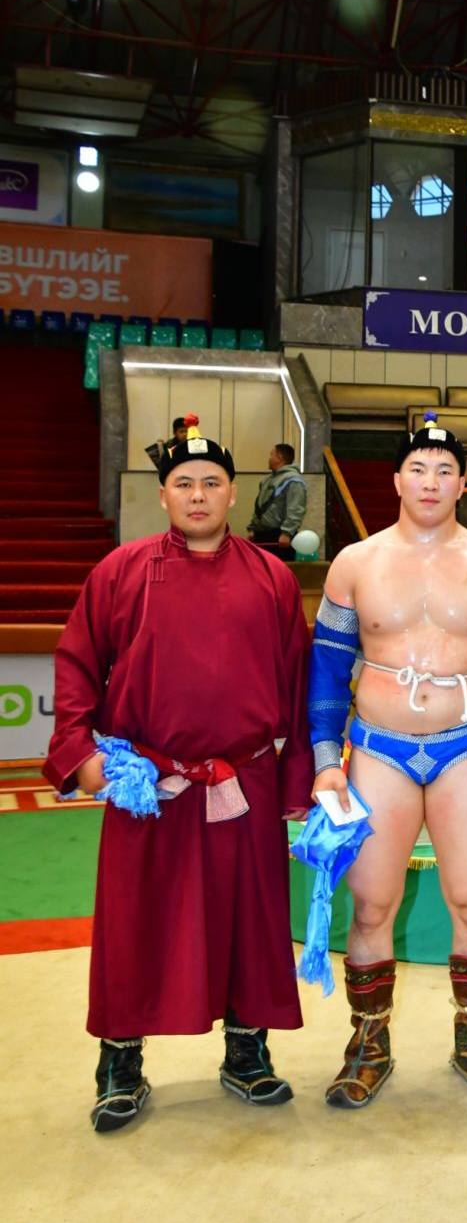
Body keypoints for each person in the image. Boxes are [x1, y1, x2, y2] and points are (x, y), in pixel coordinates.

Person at [44, 413, 313, 1133]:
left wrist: (297, 781)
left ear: (234, 493)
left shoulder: (272, 578)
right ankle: (120, 1062)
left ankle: (247, 1050)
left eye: (212, 483)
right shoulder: (120, 571)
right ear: (163, 494)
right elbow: (76, 664)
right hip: (148, 785)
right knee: (135, 921)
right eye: (184, 483)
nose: (198, 495)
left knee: (250, 920)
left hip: (244, 782)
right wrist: (78, 752)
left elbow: (297, 687)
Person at [308, 421, 467, 1107]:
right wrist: (326, 760)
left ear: (463, 484)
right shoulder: (355, 564)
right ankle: (368, 1044)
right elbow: (327, 672)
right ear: (396, 480)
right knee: (372, 904)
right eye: (418, 468)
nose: (431, 482)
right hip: (378, 748)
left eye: (444, 470)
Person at [247, 443, 308, 561]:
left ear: (280, 457)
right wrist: (253, 528)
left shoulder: (294, 481)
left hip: (279, 537)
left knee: (279, 570)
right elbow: (259, 506)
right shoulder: (266, 480)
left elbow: (296, 509)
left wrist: (287, 533)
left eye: (271, 455)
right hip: (261, 535)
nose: (269, 458)